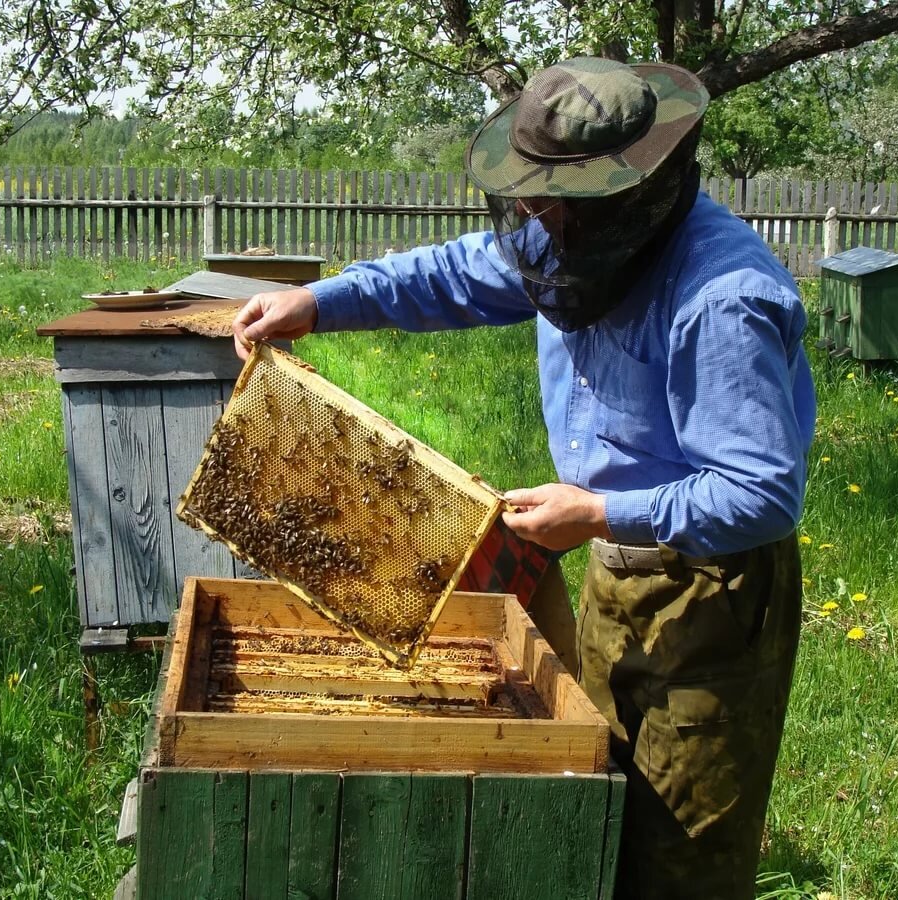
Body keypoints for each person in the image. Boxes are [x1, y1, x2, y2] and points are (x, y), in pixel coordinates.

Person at [233, 56, 815, 900]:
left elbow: (759, 495)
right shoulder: (569, 243)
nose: (536, 219)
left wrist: (599, 510)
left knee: (682, 857)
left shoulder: (723, 297)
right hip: (616, 568)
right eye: (533, 198)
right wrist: (322, 301)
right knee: (603, 796)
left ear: (626, 194)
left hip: (715, 596)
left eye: (557, 200)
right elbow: (451, 274)